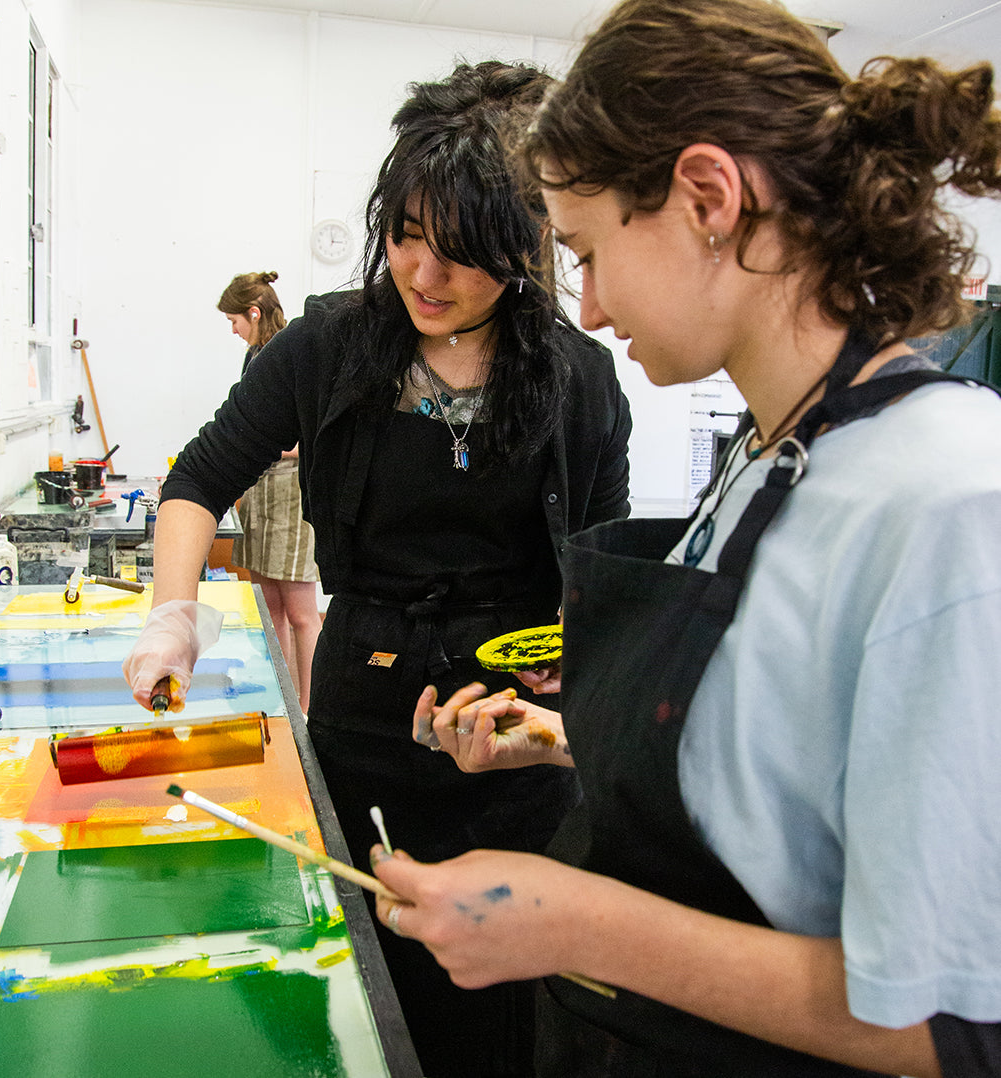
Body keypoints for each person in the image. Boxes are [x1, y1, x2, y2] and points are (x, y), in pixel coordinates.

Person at [369, 4, 1001, 1077]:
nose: (596, 307)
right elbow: (792, 778)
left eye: (589, 253)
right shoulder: (775, 454)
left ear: (707, 198)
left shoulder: (949, 504)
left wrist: (575, 923)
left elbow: (949, 1023)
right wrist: (575, 738)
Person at [123, 60, 632, 1077]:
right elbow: (198, 477)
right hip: (367, 693)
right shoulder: (330, 343)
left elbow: (603, 567)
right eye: (404, 235)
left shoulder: (576, 373)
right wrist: (170, 610)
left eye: (460, 252)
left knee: (500, 1005)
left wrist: (574, 699)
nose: (423, 275)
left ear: (523, 246)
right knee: (369, 975)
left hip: (515, 715)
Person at [217, 271, 321, 712]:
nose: (233, 329)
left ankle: (310, 708)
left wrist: (267, 445)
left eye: (234, 320)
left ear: (254, 312)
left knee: (301, 613)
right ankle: (283, 701)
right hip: (260, 491)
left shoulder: (291, 356)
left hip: (291, 495)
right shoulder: (253, 357)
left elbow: (310, 434)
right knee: (269, 608)